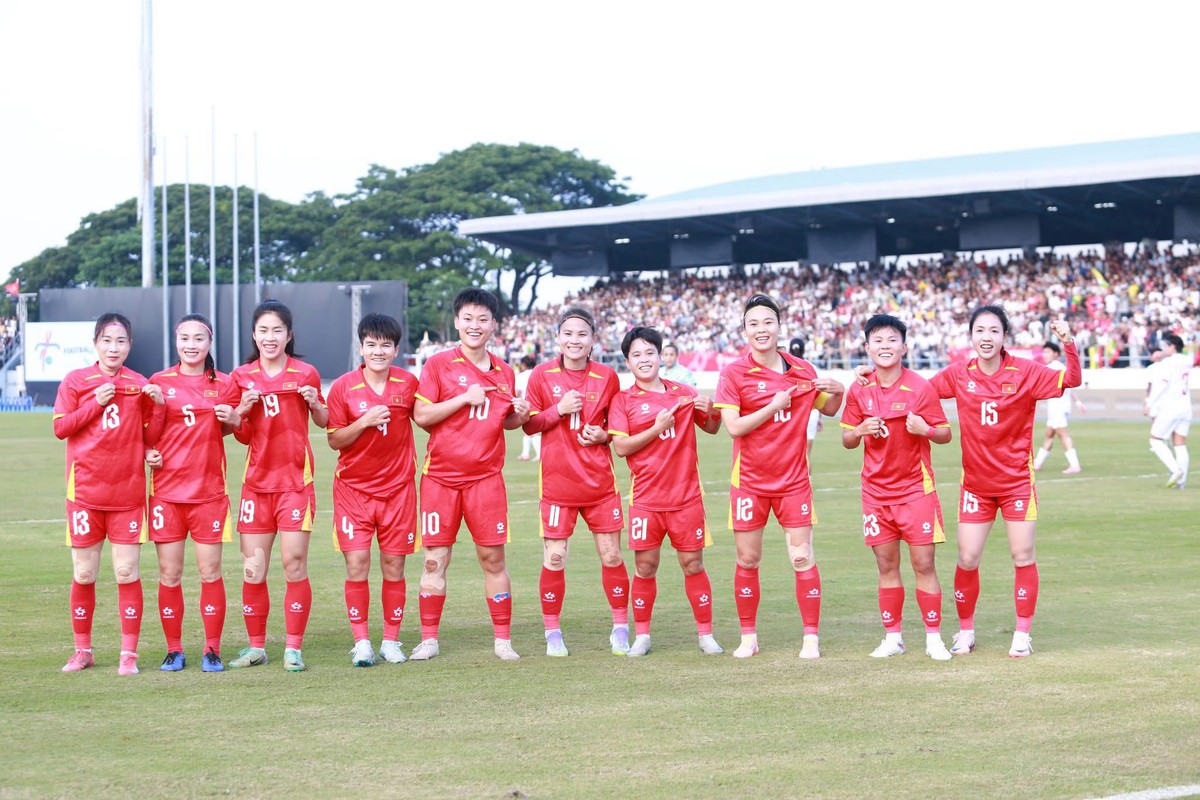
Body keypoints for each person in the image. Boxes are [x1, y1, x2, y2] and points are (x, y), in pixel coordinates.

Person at [914, 306, 1079, 658]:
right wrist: (874, 376)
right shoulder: (959, 373)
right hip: (975, 485)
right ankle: (965, 631)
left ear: (1005, 336)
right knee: (967, 557)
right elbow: (919, 392)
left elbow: (1071, 380)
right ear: (971, 336)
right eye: (980, 331)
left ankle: (1022, 633)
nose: (986, 337)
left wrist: (1069, 343)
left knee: (1022, 556)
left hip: (1017, 482)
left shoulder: (1027, 371)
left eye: (993, 331)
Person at [714, 295, 844, 660]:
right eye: (753, 324)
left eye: (767, 322)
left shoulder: (803, 370)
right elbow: (734, 428)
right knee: (748, 559)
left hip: (793, 481)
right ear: (744, 331)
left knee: (802, 556)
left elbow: (829, 410)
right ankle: (748, 637)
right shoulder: (733, 374)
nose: (761, 329)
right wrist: (773, 406)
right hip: (750, 482)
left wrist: (840, 392)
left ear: (779, 327)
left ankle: (811, 639)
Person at [411, 288, 531, 662]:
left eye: (482, 319)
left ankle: (502, 640)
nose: (474, 325)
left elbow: (504, 420)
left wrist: (521, 416)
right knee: (434, 560)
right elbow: (422, 416)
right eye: (468, 318)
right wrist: (464, 398)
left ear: (494, 325)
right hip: (440, 479)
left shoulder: (504, 371)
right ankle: (429, 639)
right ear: (457, 322)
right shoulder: (437, 365)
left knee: (493, 559)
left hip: (485, 480)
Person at [53, 312, 164, 675]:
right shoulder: (75, 381)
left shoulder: (139, 384)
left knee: (126, 571)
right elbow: (61, 428)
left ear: (130, 345)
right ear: (95, 343)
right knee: (85, 574)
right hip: (84, 491)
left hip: (128, 494)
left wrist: (158, 404)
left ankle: (128, 654)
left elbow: (151, 435)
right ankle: (82, 650)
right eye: (106, 340)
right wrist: (94, 404)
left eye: (121, 341)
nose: (113, 348)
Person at [840, 314, 954, 661]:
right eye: (877, 340)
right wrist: (859, 431)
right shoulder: (859, 387)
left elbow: (946, 433)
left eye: (892, 340)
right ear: (867, 347)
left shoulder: (921, 387)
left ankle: (934, 638)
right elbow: (846, 438)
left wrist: (926, 430)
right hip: (876, 495)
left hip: (915, 492)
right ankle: (893, 637)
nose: (885, 346)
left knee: (924, 564)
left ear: (904, 347)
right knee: (886, 566)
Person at [521, 307, 630, 656]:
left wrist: (603, 436)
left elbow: (617, 428)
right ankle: (553, 633)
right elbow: (528, 425)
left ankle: (620, 628)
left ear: (593, 340)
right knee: (555, 557)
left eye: (582, 334)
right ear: (558, 338)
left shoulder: (607, 376)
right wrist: (558, 409)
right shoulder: (540, 375)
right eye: (568, 333)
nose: (574, 340)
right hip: (557, 486)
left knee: (611, 555)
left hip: (599, 485)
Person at [608, 326, 723, 657]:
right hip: (646, 500)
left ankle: (705, 634)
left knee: (693, 564)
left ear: (661, 357)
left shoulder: (684, 393)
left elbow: (713, 427)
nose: (644, 360)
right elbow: (621, 447)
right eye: (636, 355)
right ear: (628, 362)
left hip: (686, 499)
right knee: (645, 567)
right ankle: (642, 635)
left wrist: (710, 408)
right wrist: (656, 428)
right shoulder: (623, 400)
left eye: (649, 353)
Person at [229, 299, 328, 671]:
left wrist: (316, 403)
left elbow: (323, 420)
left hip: (294, 485)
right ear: (254, 335)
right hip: (256, 485)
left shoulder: (305, 373)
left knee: (293, 564)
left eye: (277, 330)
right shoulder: (241, 377)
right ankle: (256, 647)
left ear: (289, 335)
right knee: (253, 569)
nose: (270, 337)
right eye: (263, 330)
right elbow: (238, 434)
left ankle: (293, 647)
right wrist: (241, 411)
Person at [144, 314, 242, 673]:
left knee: (210, 572)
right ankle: (174, 649)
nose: (191, 344)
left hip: (209, 493)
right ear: (176, 341)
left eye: (198, 338)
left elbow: (238, 429)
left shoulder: (226, 384)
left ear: (210, 342)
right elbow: (144, 431)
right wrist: (146, 452)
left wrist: (233, 418)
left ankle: (212, 650)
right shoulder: (158, 382)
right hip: (167, 494)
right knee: (169, 574)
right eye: (184, 338)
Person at [326, 313, 419, 667]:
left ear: (395, 349)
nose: (378, 350)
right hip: (353, 490)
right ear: (361, 347)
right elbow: (335, 439)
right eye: (371, 344)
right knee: (357, 564)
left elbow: (427, 417)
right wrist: (363, 422)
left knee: (394, 566)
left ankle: (391, 641)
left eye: (385, 344)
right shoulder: (343, 387)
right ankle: (361, 641)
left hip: (398, 490)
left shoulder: (409, 384)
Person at [1144, 334, 1192, 489]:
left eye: (1166, 346)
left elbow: (1161, 386)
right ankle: (1181, 482)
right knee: (1180, 444)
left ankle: (1175, 470)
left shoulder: (1169, 363)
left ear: (1172, 346)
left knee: (1155, 440)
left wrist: (1149, 403)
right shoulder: (1187, 360)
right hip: (1186, 406)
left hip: (1172, 406)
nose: (1164, 349)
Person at [1032, 341, 1086, 474]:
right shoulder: (1058, 367)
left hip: (1058, 406)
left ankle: (1074, 465)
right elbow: (1068, 385)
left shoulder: (1054, 366)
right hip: (1056, 406)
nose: (1045, 355)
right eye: (1044, 352)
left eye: (1048, 352)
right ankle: (1037, 463)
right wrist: (1078, 402)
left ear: (1056, 354)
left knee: (1062, 434)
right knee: (1049, 434)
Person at [789, 338, 823, 457]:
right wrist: (820, 416)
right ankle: (808, 477)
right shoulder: (812, 367)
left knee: (790, 454)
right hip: (810, 412)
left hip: (792, 413)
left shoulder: (785, 367)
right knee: (806, 455)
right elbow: (819, 393)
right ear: (804, 351)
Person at [515, 355, 542, 462]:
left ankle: (538, 454)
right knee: (530, 431)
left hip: (525, 405)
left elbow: (518, 392)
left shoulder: (521, 376)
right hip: (538, 405)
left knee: (531, 431)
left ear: (523, 364)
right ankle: (525, 454)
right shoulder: (539, 374)